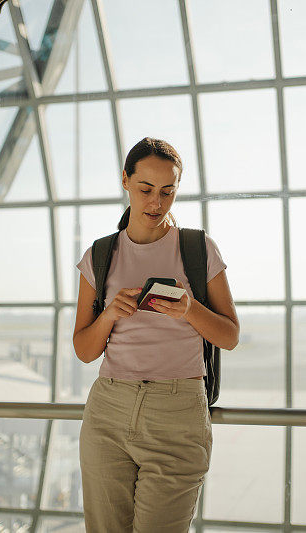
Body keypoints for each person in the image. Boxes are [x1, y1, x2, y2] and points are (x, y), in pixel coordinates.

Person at [73, 137, 240, 532]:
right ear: (126, 182)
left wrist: (190, 309)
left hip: (177, 412)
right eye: (146, 189)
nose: (156, 203)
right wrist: (110, 313)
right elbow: (83, 349)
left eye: (168, 192)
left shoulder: (198, 249)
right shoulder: (100, 255)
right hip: (108, 411)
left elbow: (229, 336)